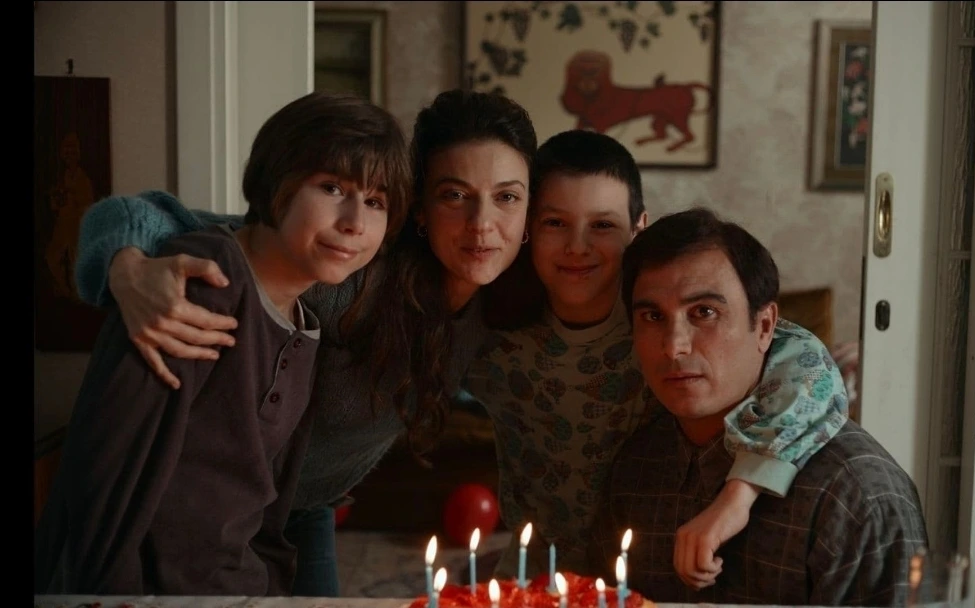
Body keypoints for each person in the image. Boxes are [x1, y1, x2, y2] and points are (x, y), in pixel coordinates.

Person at [70, 89, 537, 597]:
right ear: (420, 209)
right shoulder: (353, 276)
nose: (482, 224)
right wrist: (127, 267)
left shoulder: (500, 309)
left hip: (304, 511)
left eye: (507, 197)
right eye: (454, 195)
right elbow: (154, 218)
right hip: (218, 515)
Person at [34, 92, 411, 595]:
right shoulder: (195, 284)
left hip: (242, 587)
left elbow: (263, 505)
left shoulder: (307, 318)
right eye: (332, 187)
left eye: (376, 202)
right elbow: (103, 474)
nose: (355, 223)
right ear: (276, 179)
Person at [465, 130, 850, 588]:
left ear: (637, 230)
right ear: (528, 228)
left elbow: (810, 366)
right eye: (555, 223)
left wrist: (740, 494)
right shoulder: (494, 332)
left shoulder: (659, 323)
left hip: (645, 562)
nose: (577, 246)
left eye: (602, 225)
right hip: (536, 571)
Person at [592, 207, 928, 606]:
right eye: (652, 316)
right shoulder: (635, 468)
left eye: (704, 313)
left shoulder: (855, 495)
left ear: (766, 326)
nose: (674, 346)